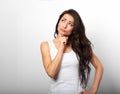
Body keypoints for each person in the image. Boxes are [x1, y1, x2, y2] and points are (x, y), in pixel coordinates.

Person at [40, 9, 104, 94]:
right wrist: (61, 48)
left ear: (74, 29)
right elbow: (51, 73)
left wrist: (93, 90)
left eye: (70, 24)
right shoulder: (45, 45)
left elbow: (99, 66)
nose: (65, 25)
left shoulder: (80, 45)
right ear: (58, 22)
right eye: (63, 20)